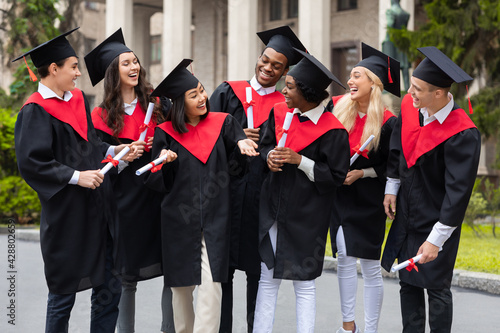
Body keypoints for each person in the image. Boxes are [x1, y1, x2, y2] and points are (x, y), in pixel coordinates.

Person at [13, 27, 136, 332]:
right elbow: (32, 163)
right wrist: (76, 176)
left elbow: (89, 144)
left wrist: (113, 150)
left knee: (110, 289)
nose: (79, 74)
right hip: (67, 217)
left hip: (100, 210)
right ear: (53, 69)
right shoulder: (35, 111)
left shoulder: (78, 100)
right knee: (63, 296)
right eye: (73, 67)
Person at [145, 59, 259, 333]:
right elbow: (157, 182)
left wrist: (240, 147)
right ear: (180, 103)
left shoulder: (224, 123)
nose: (203, 97)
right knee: (182, 289)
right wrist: (165, 162)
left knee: (212, 285)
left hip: (216, 217)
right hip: (178, 219)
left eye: (202, 90)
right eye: (193, 94)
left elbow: (237, 171)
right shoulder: (165, 133)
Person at [209, 25, 307, 333]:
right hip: (224, 194)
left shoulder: (285, 107)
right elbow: (204, 137)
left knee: (257, 274)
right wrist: (234, 135)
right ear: (258, 57)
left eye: (276, 66)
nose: (267, 68)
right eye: (265, 60)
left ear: (285, 71)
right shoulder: (227, 91)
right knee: (221, 274)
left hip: (260, 198)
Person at [381, 46, 481, 333]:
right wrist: (391, 187)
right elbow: (397, 153)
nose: (410, 93)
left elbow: (458, 193)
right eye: (412, 85)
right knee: (408, 284)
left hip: (439, 221)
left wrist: (436, 240)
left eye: (418, 89)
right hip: (408, 216)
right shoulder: (411, 113)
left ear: (439, 93)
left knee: (436, 287)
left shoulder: (462, 133)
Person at [84, 28, 175, 333]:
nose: (134, 67)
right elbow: (97, 163)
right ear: (113, 72)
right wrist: (125, 156)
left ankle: (169, 329)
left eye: (135, 61)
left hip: (161, 196)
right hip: (125, 202)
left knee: (171, 269)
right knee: (127, 276)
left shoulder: (159, 105)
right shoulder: (100, 117)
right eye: (126, 63)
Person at [253, 49, 350, 333]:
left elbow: (335, 176)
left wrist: (300, 160)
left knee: (303, 283)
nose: (283, 90)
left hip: (307, 216)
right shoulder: (279, 113)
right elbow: (264, 146)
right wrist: (269, 157)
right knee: (267, 278)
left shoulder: (333, 132)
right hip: (273, 208)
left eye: (290, 87)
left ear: (307, 94)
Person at [328, 43, 400, 333]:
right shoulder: (337, 111)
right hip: (341, 197)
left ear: (374, 83)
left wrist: (363, 172)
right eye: (351, 76)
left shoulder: (388, 122)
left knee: (370, 267)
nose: (350, 81)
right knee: (344, 259)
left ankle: (370, 329)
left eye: (357, 75)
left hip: (369, 198)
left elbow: (391, 167)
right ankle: (348, 327)